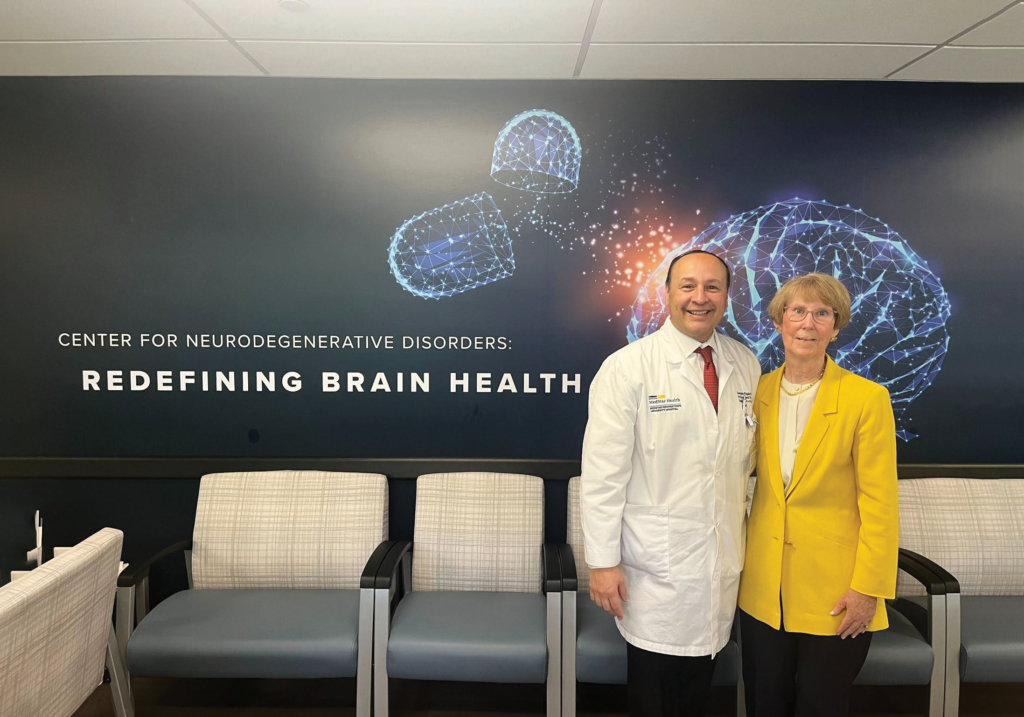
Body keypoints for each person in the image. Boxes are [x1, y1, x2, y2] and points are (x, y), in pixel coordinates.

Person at [581, 249, 761, 717]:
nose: (699, 298)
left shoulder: (744, 364)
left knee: (700, 685)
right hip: (654, 566)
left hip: (719, 560)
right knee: (654, 689)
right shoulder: (628, 368)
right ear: (666, 294)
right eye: (687, 286)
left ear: (726, 296)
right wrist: (602, 562)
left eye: (712, 287)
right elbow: (602, 476)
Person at [737, 273, 899, 717]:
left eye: (821, 313)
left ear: (836, 325)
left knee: (820, 706)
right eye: (797, 311)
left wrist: (868, 589)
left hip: (836, 592)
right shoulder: (756, 393)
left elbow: (881, 504)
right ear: (779, 321)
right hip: (761, 590)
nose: (808, 323)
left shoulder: (867, 399)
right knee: (763, 704)